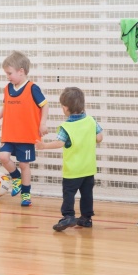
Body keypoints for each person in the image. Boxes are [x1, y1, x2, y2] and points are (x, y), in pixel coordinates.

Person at [35, 87, 103, 231]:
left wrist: (43, 146)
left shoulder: (66, 127)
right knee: (87, 194)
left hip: (73, 170)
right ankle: (86, 218)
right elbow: (99, 137)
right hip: (88, 168)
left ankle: (68, 216)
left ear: (65, 108)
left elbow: (59, 143)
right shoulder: (91, 121)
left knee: (69, 194)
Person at [0, 51, 49, 206]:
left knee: (24, 165)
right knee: (3, 157)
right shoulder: (7, 88)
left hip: (26, 135)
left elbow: (45, 105)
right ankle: (16, 177)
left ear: (21, 72)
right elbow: (5, 105)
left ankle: (26, 195)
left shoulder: (32, 88)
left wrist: (43, 124)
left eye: (9, 73)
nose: (8, 76)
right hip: (9, 133)